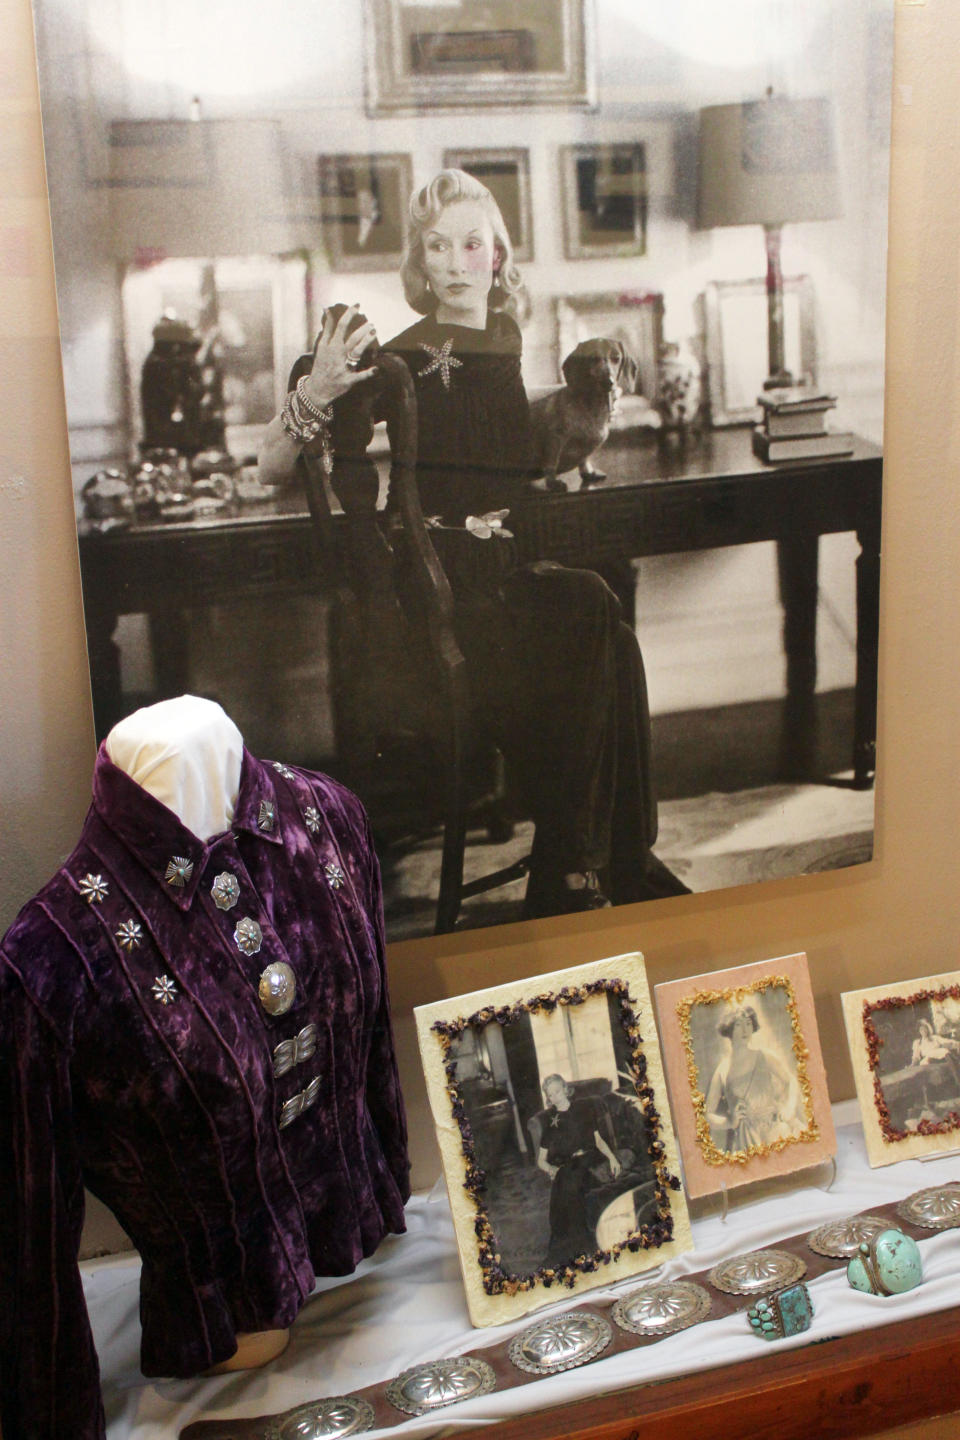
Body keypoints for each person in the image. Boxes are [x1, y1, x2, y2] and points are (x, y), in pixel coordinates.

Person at [260, 168, 687, 917]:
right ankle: (578, 868)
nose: (458, 262)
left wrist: (585, 410)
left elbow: (493, 440)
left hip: (496, 573)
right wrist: (317, 389)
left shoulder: (503, 335)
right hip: (431, 597)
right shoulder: (404, 352)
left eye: (472, 243)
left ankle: (610, 861)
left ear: (497, 253)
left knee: (610, 630)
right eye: (438, 248)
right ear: (419, 266)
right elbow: (269, 466)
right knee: (591, 600)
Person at [536, 1075, 622, 1266]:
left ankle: (579, 1246)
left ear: (565, 1089)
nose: (555, 1097)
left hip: (590, 1158)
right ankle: (570, 1247)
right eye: (551, 1095)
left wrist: (612, 1158)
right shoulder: (550, 1122)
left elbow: (598, 1141)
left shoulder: (584, 1109)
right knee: (564, 1182)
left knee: (567, 1180)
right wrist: (551, 1169)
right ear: (548, 1098)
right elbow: (541, 1160)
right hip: (570, 1165)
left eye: (557, 1091)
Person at [704, 1003, 802, 1153]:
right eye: (738, 1025)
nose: (745, 1030)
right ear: (729, 1029)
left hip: (775, 1128)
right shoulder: (722, 1070)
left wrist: (789, 1107)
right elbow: (708, 1115)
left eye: (748, 1024)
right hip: (747, 1138)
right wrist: (730, 1122)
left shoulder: (764, 1056)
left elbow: (791, 1081)